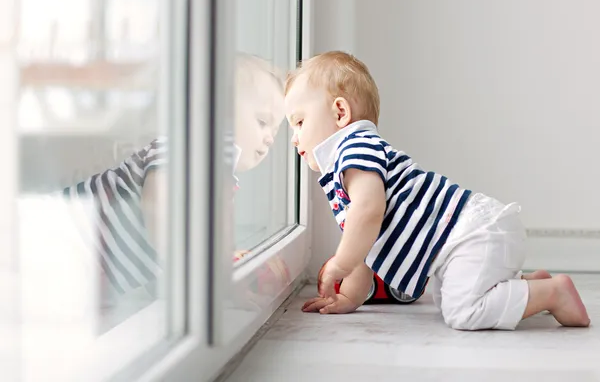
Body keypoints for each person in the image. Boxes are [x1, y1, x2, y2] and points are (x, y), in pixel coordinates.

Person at [286, 51, 590, 330]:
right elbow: (367, 244)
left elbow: (367, 213)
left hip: (473, 232)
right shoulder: (352, 161)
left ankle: (553, 293)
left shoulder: (354, 149)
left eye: (299, 122)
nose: (295, 138)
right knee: (447, 299)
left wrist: (341, 262)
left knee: (462, 311)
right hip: (473, 235)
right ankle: (525, 285)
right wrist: (350, 298)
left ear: (340, 113)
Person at [61, 53, 285, 295]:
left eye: (276, 128)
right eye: (263, 122)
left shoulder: (221, 181)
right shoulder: (181, 150)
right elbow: (160, 216)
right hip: (60, 239)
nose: (270, 137)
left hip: (88, 275)